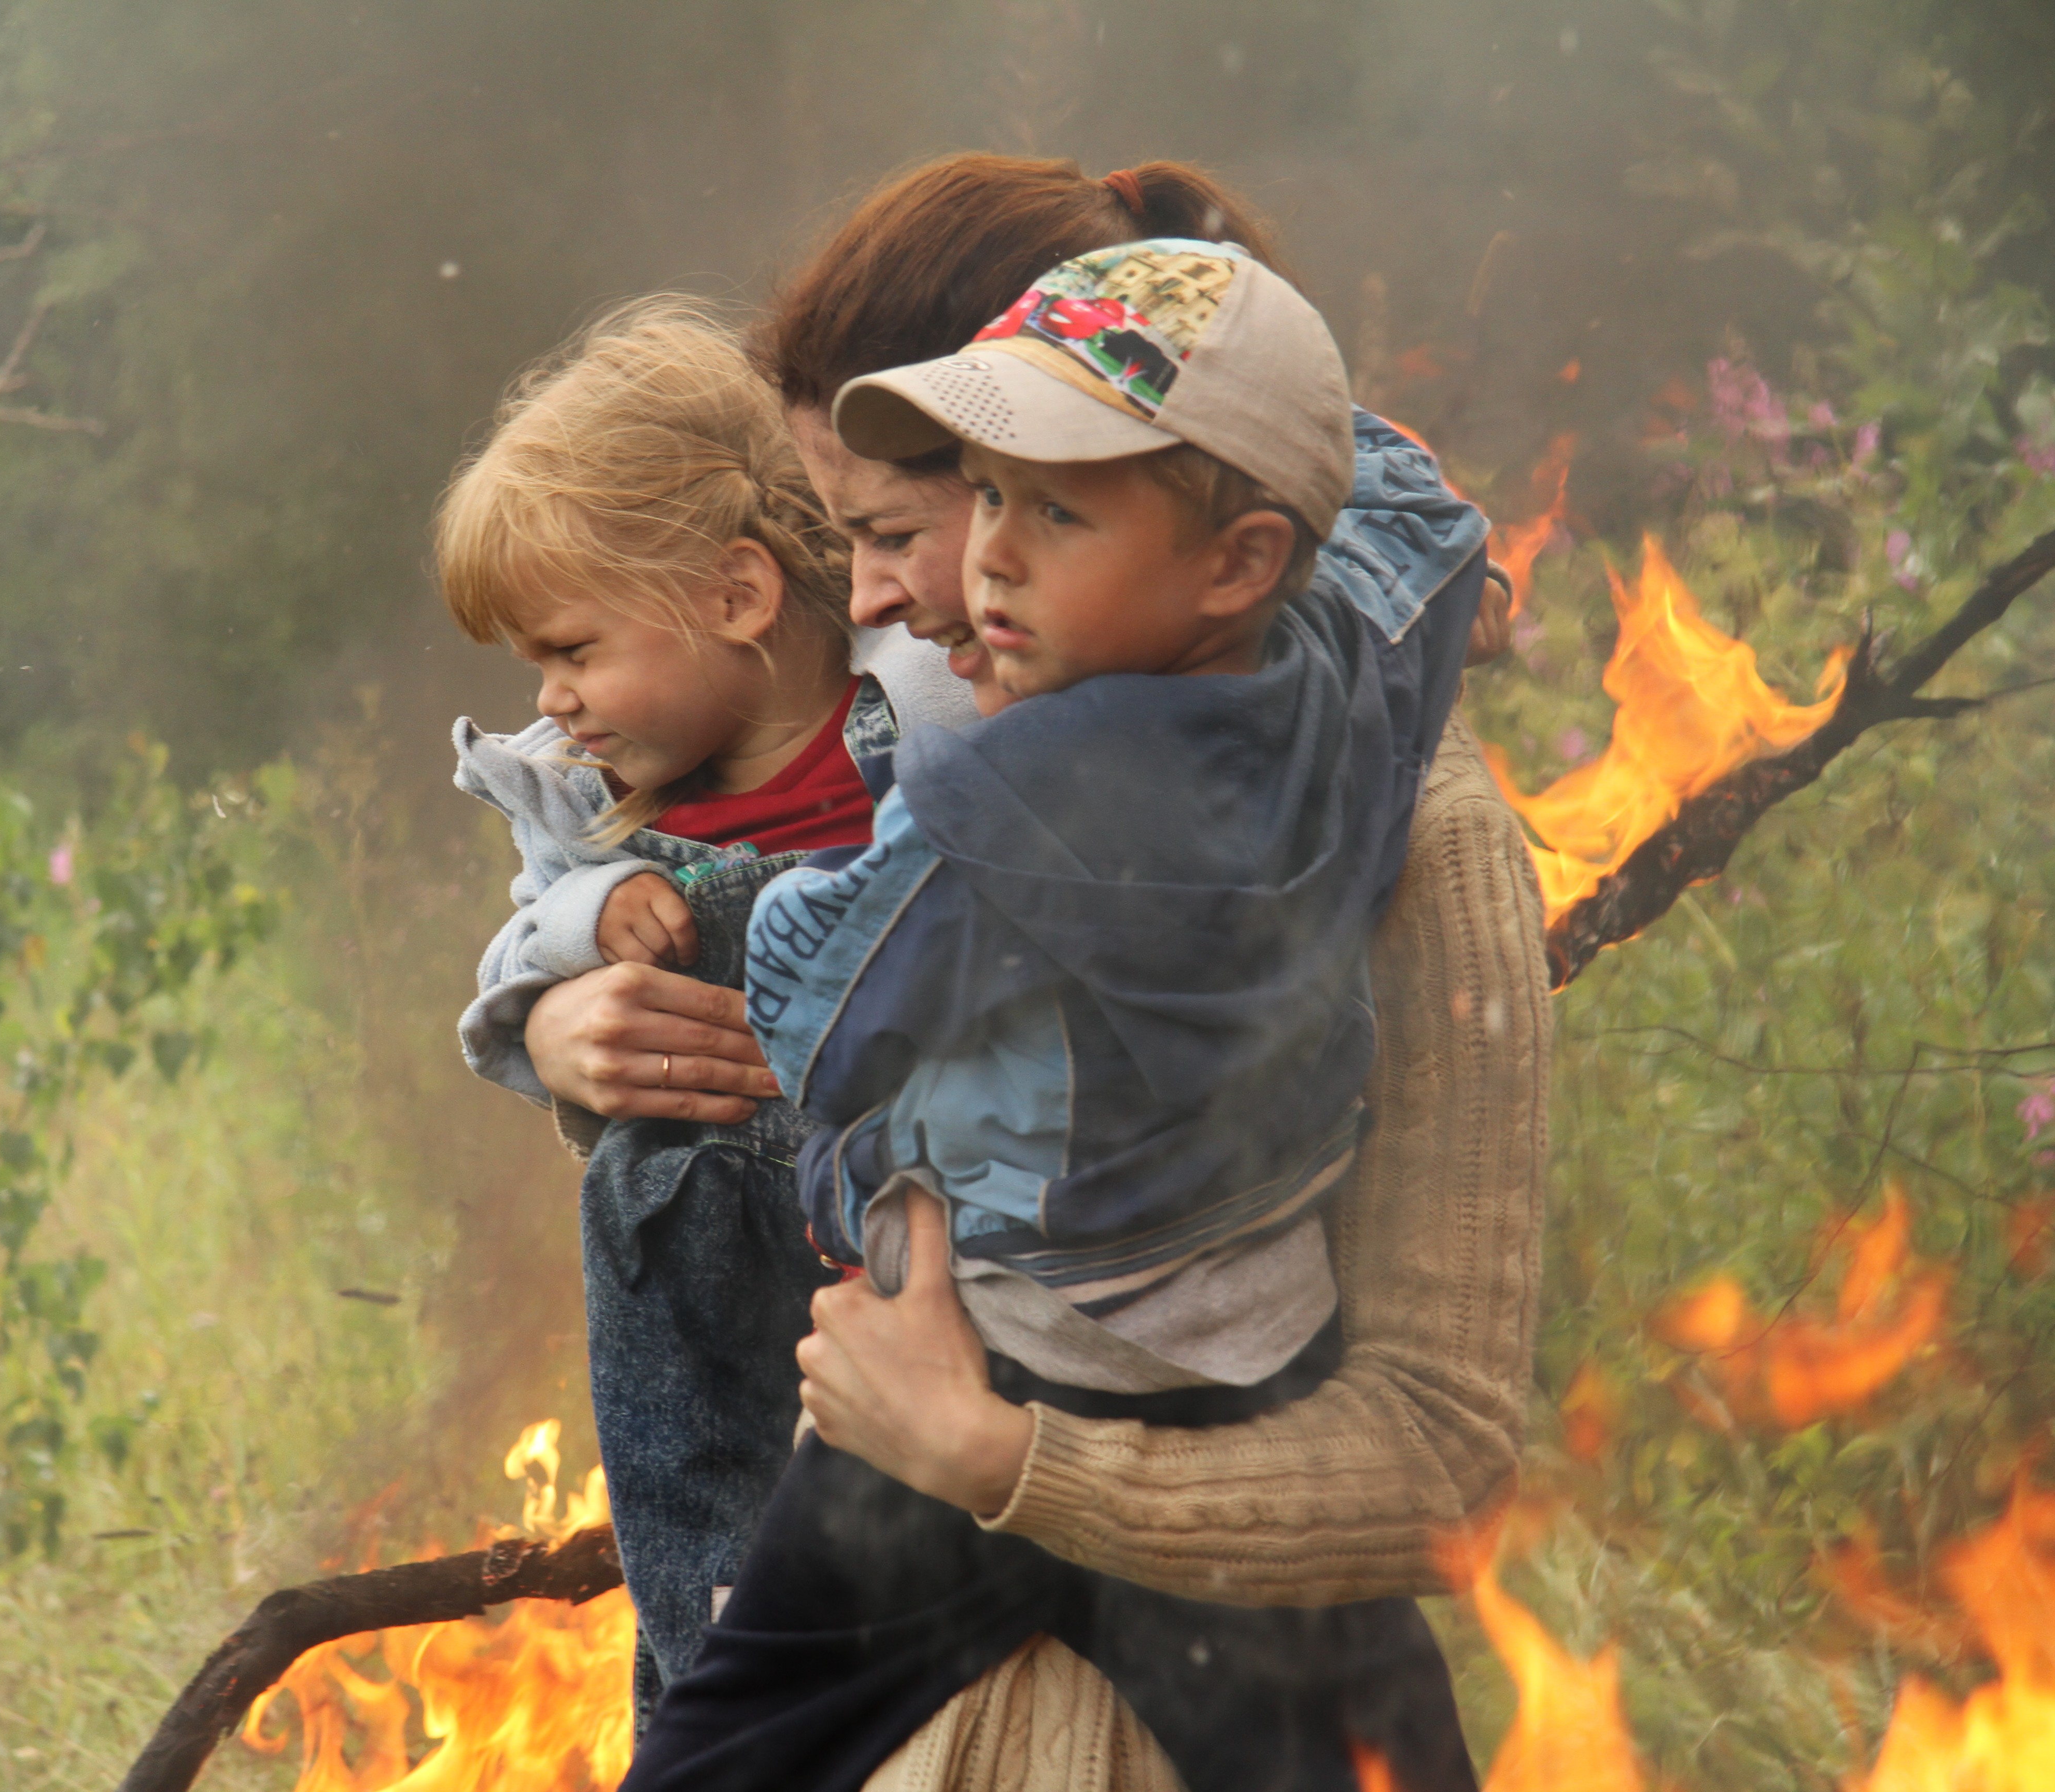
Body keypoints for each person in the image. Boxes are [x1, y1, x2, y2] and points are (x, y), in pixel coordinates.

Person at [519, 154, 1550, 1788]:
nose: (864, 599)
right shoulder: (882, 756)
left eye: (892, 532)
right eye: (828, 537)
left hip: (1172, 1675)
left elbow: (1438, 1452)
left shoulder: (1416, 840)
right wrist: (566, 1017)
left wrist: (1002, 1460)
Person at [434, 297, 978, 1717]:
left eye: (573, 650)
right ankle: (717, 1683)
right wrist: (559, 997)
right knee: (718, 1556)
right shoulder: (595, 815)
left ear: (739, 598)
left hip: (932, 1219)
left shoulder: (919, 704)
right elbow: (520, 956)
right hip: (710, 1264)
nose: (555, 704)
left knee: (920, 1574)